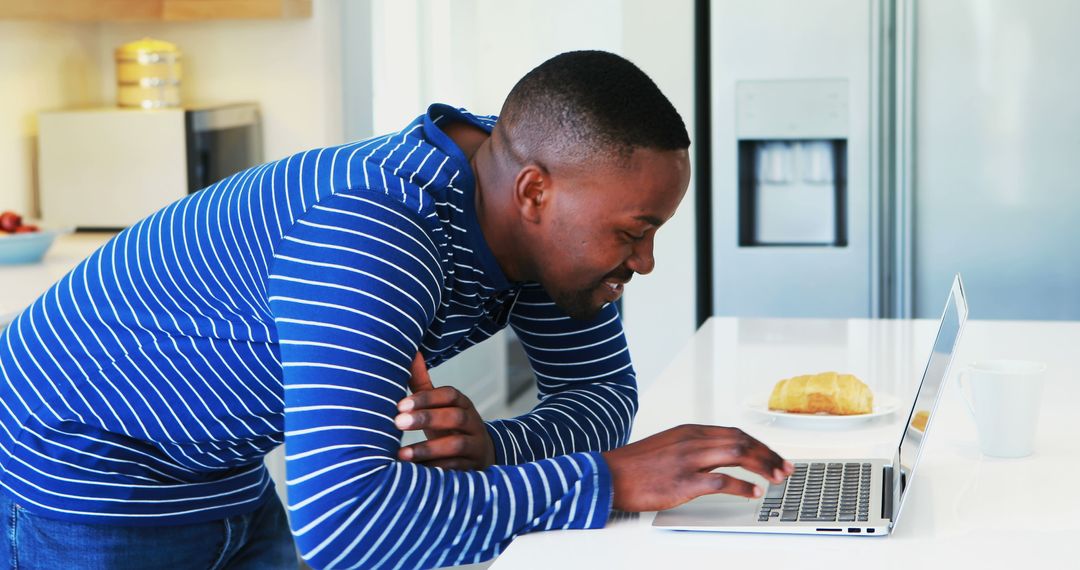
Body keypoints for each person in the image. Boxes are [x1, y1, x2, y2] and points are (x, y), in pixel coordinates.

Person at [0, 50, 792, 569]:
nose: (644, 262)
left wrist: (498, 448)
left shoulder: (542, 237)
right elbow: (349, 524)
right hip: (86, 472)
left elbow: (602, 401)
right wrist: (607, 483)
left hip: (222, 465)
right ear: (535, 192)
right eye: (633, 233)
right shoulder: (375, 231)